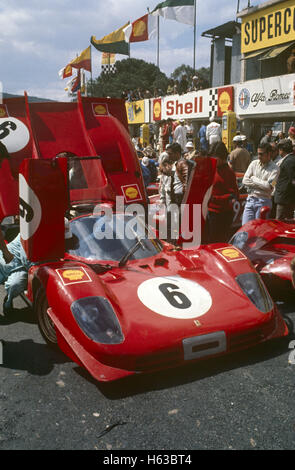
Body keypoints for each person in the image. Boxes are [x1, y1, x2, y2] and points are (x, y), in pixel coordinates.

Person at [206, 142, 239, 243]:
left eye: (215, 158)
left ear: (222, 157)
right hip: (210, 211)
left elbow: (234, 195)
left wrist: (216, 198)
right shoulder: (213, 169)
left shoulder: (228, 173)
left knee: (217, 243)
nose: (213, 161)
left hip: (222, 214)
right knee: (209, 241)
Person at [242, 142, 279, 225]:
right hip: (250, 199)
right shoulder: (253, 164)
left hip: (264, 202)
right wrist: (262, 184)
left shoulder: (275, 169)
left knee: (259, 230)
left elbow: (269, 186)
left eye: (261, 154)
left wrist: (253, 178)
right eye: (258, 154)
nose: (259, 156)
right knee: (245, 228)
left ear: (269, 153)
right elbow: (245, 180)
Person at [0, 233, 33, 314]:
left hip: (19, 268)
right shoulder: (28, 231)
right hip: (3, 259)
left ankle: (8, 300)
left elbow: (26, 262)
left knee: (14, 285)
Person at [274, 139, 295, 220]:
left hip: (285, 199)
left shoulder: (289, 161)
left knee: (280, 223)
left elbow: (292, 180)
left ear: (282, 149)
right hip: (283, 198)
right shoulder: (286, 160)